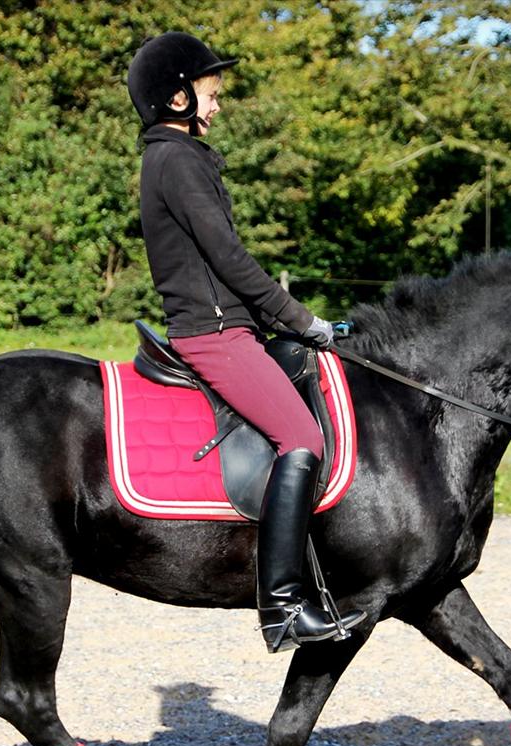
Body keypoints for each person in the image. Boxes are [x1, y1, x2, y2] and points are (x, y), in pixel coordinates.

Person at [127, 31, 365, 653]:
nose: (216, 105)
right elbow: (228, 259)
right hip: (214, 335)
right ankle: (283, 605)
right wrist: (298, 317)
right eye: (209, 94)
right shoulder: (176, 161)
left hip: (230, 326)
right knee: (303, 437)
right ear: (177, 97)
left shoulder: (180, 158)